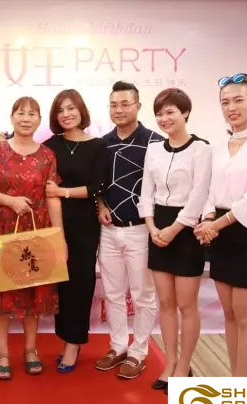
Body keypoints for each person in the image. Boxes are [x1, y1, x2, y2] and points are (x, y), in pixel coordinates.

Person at [0, 90, 106, 373]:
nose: (66, 114)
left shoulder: (98, 146)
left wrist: (63, 192)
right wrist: (2, 138)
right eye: (60, 110)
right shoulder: (50, 146)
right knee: (58, 286)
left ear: (81, 111)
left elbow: (98, 186)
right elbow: (23, 151)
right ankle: (59, 337)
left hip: (82, 224)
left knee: (80, 282)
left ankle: (73, 344)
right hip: (44, 223)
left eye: (71, 108)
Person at [0, 96, 64, 380]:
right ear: (12, 117)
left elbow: (52, 197)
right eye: (21, 113)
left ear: (39, 120)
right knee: (4, 294)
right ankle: (2, 354)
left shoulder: (47, 156)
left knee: (33, 293)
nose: (26, 118)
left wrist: (59, 237)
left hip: (36, 232)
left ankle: (30, 350)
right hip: (2, 230)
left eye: (32, 114)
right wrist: (10, 201)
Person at [194, 73, 247, 377]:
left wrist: (216, 225)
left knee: (245, 316)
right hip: (220, 234)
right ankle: (235, 379)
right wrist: (207, 219)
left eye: (239, 100)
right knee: (229, 314)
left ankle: (241, 385)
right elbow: (209, 190)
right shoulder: (218, 145)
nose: (231, 107)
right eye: (225, 102)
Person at [138, 88, 211, 394]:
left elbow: (199, 195)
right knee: (165, 303)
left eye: (170, 112)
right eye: (159, 113)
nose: (164, 118)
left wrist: (174, 229)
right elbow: (146, 192)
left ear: (185, 113)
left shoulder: (201, 149)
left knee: (186, 305)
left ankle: (184, 366)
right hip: (157, 227)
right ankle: (170, 363)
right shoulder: (154, 149)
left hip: (186, 231)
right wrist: (152, 227)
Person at [96, 81, 164, 379]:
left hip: (141, 231)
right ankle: (118, 346)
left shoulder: (156, 143)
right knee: (112, 294)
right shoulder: (102, 143)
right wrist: (99, 204)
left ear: (138, 106)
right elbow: (97, 184)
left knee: (143, 296)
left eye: (125, 104)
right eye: (114, 105)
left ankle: (139, 352)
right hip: (108, 231)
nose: (119, 110)